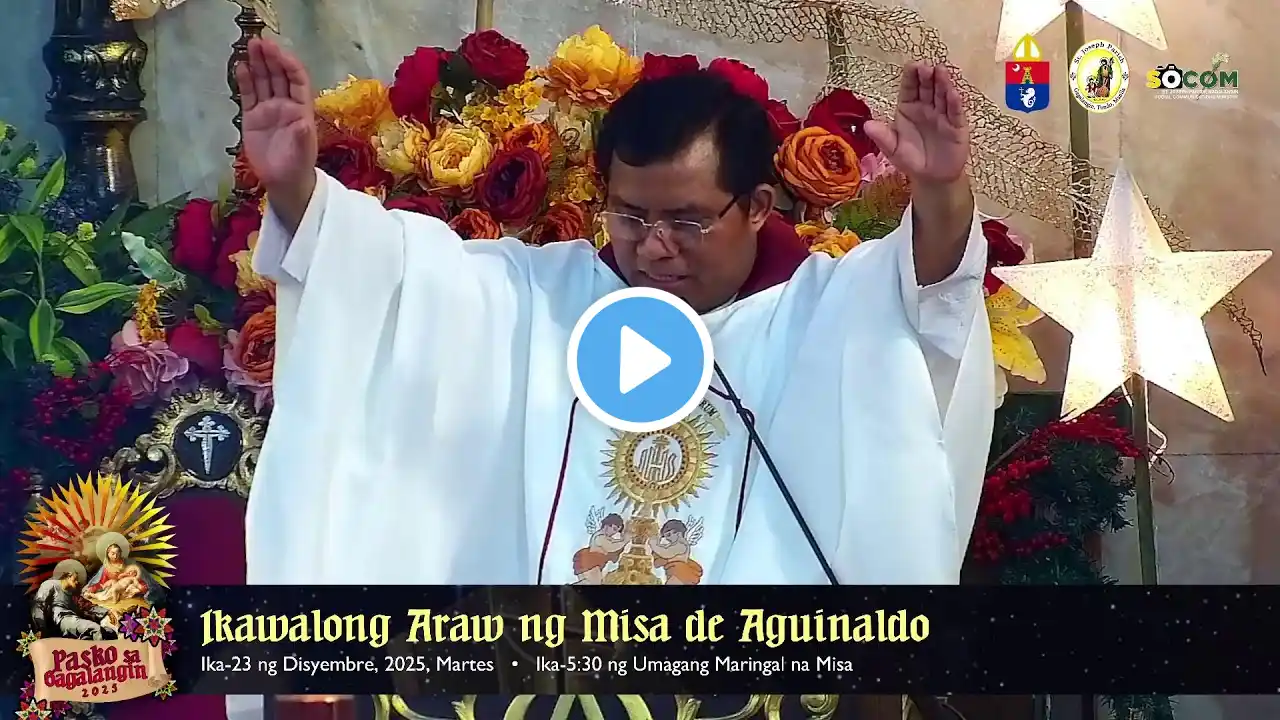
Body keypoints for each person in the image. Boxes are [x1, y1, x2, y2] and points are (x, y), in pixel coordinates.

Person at [239, 37, 993, 587]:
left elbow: (929, 293)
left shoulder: (824, 311)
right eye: (630, 216)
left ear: (760, 206)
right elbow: (387, 275)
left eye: (688, 221)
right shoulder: (542, 301)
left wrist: (941, 192)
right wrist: (297, 187)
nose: (654, 247)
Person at [31, 559, 109, 640]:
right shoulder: (50, 584)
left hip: (73, 622)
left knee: (108, 632)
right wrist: (40, 629)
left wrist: (107, 612)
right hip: (62, 621)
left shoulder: (73, 595)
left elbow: (87, 606)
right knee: (95, 629)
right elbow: (38, 605)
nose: (78, 581)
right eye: (77, 577)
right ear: (69, 575)